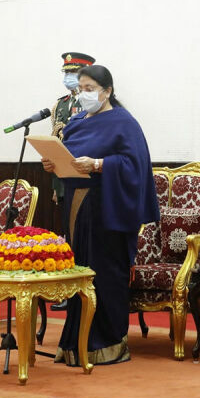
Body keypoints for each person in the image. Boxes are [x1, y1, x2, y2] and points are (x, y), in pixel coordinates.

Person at [42, 64, 159, 366]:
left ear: (107, 91)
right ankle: (75, 343)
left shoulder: (124, 122)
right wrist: (54, 164)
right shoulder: (76, 122)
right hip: (77, 207)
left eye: (90, 89)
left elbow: (135, 166)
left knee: (104, 275)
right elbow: (69, 159)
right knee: (78, 273)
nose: (84, 94)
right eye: (81, 89)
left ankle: (107, 343)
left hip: (109, 209)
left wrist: (98, 164)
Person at [49, 52, 92, 312]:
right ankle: (67, 288)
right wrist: (57, 186)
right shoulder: (60, 105)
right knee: (67, 235)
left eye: (73, 72)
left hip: (87, 178)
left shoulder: (91, 104)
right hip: (65, 180)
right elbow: (56, 147)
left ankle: (82, 286)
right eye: (66, 72)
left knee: (84, 238)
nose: (68, 77)